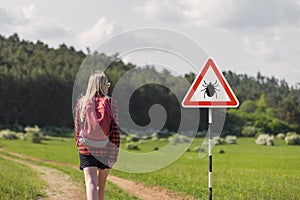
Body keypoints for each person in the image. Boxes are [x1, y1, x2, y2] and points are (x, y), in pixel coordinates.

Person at [74, 71, 120, 200]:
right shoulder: (111, 103)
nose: (108, 86)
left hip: (86, 148)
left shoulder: (81, 103)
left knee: (90, 183)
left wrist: (80, 144)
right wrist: (113, 154)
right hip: (104, 148)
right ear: (102, 85)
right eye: (107, 84)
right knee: (101, 185)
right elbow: (115, 131)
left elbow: (77, 128)